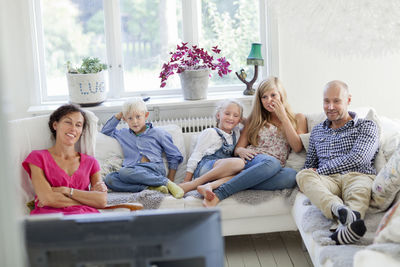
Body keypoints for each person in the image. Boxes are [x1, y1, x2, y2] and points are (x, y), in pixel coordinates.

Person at [199, 76, 308, 207]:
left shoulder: (298, 118)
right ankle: (220, 193)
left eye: (273, 95)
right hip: (253, 160)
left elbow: (297, 147)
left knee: (291, 176)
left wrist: (283, 117)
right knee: (272, 162)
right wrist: (241, 150)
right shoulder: (255, 119)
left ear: (282, 95)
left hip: (274, 168)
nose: (269, 100)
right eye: (264, 97)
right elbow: (238, 149)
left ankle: (222, 183)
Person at [296, 80, 379, 245]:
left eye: (336, 101)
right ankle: (336, 208)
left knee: (359, 193)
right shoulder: (317, 131)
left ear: (348, 100)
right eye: (326, 101)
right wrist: (311, 174)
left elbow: (359, 158)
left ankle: (347, 227)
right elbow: (309, 165)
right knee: (303, 175)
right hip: (329, 180)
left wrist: (319, 171)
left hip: (358, 175)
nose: (330, 106)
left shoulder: (367, 126)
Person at [22, 104, 108, 215]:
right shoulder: (37, 158)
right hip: (51, 220)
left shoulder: (90, 162)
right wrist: (88, 200)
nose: (73, 128)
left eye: (78, 125)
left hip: (86, 219)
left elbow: (101, 201)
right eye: (68, 122)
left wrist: (67, 191)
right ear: (55, 125)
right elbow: (47, 199)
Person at [101, 97, 184, 198]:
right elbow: (105, 131)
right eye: (130, 118)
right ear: (124, 119)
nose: (134, 121)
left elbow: (174, 156)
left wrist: (170, 180)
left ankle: (165, 182)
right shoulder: (123, 134)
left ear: (146, 115)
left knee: (124, 172)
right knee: (110, 179)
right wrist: (119, 115)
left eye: (138, 117)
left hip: (154, 169)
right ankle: (150, 187)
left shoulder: (158, 133)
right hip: (131, 170)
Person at [178, 99, 246, 199]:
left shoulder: (236, 133)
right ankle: (192, 184)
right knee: (239, 163)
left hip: (221, 173)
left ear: (239, 120)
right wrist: (187, 180)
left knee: (245, 172)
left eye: (235, 116)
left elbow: (250, 123)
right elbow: (196, 155)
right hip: (205, 168)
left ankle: (208, 186)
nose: (231, 118)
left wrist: (241, 119)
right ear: (218, 115)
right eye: (227, 113)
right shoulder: (211, 133)